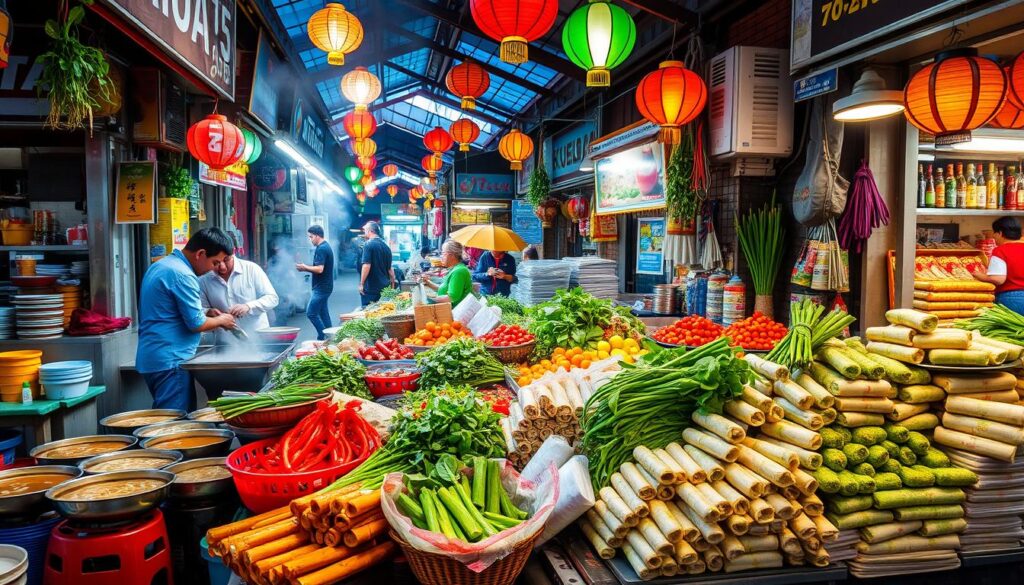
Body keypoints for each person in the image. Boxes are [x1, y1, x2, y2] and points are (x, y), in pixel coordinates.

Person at [136, 228, 238, 411]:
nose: (215, 269)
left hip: (154, 356)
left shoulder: (163, 265)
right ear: (200, 254)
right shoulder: (183, 275)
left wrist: (206, 313)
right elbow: (196, 324)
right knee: (173, 424)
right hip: (171, 359)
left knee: (165, 417)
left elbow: (168, 310)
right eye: (214, 262)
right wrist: (223, 320)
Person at [200, 253, 279, 340]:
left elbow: (272, 298)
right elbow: (198, 310)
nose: (222, 267)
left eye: (226, 260)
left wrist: (248, 306)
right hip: (225, 342)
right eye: (216, 263)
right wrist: (208, 312)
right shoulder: (204, 279)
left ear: (233, 252)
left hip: (259, 338)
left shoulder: (251, 269)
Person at [973, 217, 1024, 313]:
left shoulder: (1000, 250)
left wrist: (980, 275)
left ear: (1000, 233)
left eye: (994, 234)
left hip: (1012, 299)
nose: (994, 238)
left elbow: (998, 279)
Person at [296, 225, 335, 341]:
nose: (310, 239)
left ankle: (323, 337)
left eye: (311, 237)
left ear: (317, 236)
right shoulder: (325, 246)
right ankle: (331, 337)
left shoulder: (322, 248)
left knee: (311, 313)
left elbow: (319, 269)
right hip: (325, 286)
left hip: (321, 288)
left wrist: (304, 268)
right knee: (324, 313)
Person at [420, 239, 473, 306]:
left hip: (455, 313)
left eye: (443, 253)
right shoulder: (454, 269)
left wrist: (428, 300)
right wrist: (427, 282)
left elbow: (451, 297)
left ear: (452, 255)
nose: (441, 256)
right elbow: (442, 289)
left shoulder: (459, 271)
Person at [358, 221, 396, 307]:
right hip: (384, 287)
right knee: (382, 311)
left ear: (370, 231)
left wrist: (361, 283)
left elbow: (366, 265)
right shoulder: (386, 247)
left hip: (372, 287)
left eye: (365, 230)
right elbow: (390, 269)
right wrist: (392, 284)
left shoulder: (368, 244)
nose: (364, 232)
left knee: (368, 312)